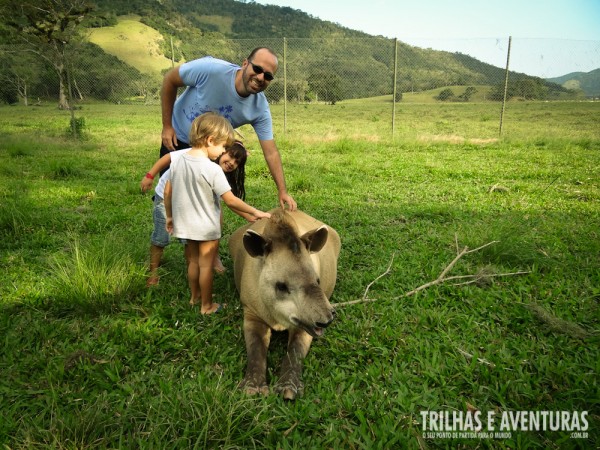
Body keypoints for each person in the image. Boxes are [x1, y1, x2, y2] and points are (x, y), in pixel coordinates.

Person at [160, 47, 297, 211]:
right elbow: (170, 79)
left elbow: (271, 152)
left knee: (201, 203)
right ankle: (163, 230)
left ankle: (195, 235)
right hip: (177, 138)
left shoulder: (259, 108)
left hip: (210, 152)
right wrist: (167, 126)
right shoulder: (211, 69)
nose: (261, 77)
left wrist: (282, 191)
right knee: (169, 196)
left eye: (268, 76)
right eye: (257, 69)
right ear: (245, 63)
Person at [164, 112, 271, 314]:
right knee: (206, 266)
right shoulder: (212, 169)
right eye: (223, 146)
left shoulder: (177, 161)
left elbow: (167, 191)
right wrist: (256, 212)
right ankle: (207, 305)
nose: (223, 151)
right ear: (210, 140)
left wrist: (170, 216)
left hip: (185, 225)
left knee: (193, 262)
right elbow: (230, 200)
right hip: (205, 228)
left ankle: (194, 297)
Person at [142, 141, 249, 287]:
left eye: (237, 162)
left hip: (186, 203)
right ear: (222, 150)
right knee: (161, 238)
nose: (231, 163)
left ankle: (191, 276)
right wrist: (150, 175)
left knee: (189, 241)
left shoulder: (217, 173)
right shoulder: (195, 154)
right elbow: (168, 158)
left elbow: (229, 202)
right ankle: (153, 273)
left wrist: (250, 216)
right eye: (230, 156)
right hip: (165, 198)